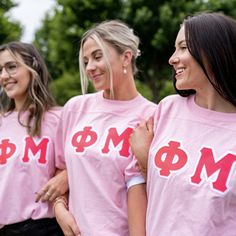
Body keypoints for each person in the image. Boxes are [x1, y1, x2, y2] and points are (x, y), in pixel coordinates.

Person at [130, 12, 236, 236]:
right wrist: (144, 161)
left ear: (215, 50)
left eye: (183, 47)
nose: (172, 58)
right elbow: (140, 182)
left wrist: (146, 160)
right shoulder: (167, 110)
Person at [54, 20, 157, 236]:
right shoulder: (75, 108)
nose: (89, 67)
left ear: (126, 57)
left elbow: (148, 186)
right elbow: (60, 169)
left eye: (97, 57)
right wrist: (59, 208)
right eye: (85, 60)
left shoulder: (152, 116)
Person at [0, 41, 68, 236]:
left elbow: (82, 163)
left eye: (11, 67)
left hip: (46, 228)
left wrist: (67, 175)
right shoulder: (1, 123)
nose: (4, 76)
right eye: (0, 70)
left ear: (33, 68)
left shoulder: (59, 118)